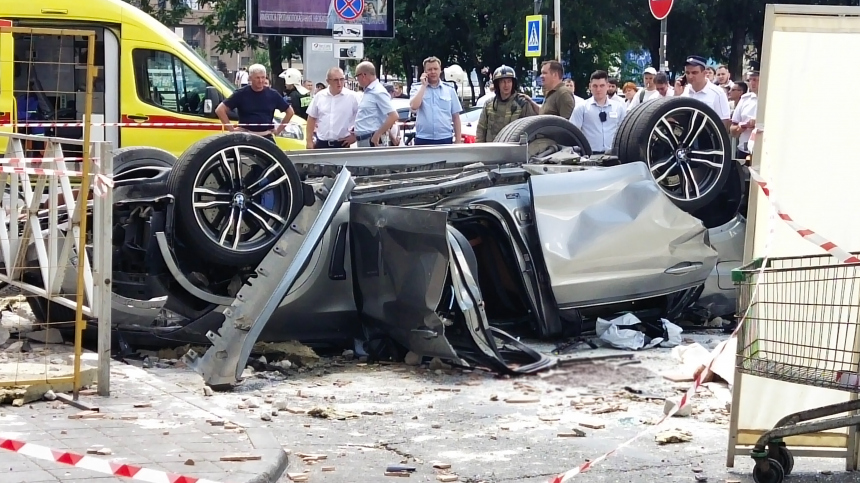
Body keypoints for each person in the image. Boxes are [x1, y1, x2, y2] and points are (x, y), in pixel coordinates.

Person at [216, 64, 294, 142]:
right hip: (245, 137)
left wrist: (278, 130)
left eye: (263, 77)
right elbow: (220, 110)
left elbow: (290, 112)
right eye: (257, 78)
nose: (260, 81)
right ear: (250, 78)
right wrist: (231, 130)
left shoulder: (273, 94)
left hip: (266, 137)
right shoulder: (241, 94)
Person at [476, 65, 539, 143]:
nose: (506, 85)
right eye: (503, 82)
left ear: (513, 83)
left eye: (509, 81)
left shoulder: (522, 103)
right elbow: (481, 130)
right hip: (492, 150)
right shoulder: (489, 104)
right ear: (497, 84)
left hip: (513, 151)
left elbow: (531, 130)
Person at [570, 70, 626, 154]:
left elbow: (624, 132)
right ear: (590, 86)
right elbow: (573, 132)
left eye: (602, 86)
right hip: (590, 154)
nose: (598, 89)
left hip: (613, 155)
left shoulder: (618, 107)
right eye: (595, 86)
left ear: (607, 86)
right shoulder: (581, 108)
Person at [409, 56, 463, 145]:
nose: (433, 72)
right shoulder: (417, 88)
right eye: (429, 69)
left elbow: (456, 117)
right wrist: (423, 86)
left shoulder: (449, 89)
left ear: (440, 70)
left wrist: (458, 140)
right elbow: (414, 106)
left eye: (435, 69)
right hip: (423, 138)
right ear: (425, 72)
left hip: (445, 138)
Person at [305, 67, 359, 149]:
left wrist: (355, 136)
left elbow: (362, 116)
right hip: (322, 143)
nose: (339, 83)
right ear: (328, 81)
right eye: (336, 80)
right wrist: (309, 140)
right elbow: (311, 118)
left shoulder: (352, 97)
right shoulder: (319, 96)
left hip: (342, 143)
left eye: (342, 79)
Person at [674, 55, 731, 128]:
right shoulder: (683, 91)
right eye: (687, 73)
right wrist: (676, 96)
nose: (690, 76)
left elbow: (724, 122)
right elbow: (673, 117)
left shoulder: (717, 93)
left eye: (694, 73)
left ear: (704, 73)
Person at [354, 61, 398, 147]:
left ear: (363, 75)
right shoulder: (369, 91)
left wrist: (378, 134)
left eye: (357, 77)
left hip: (371, 140)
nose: (357, 80)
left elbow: (393, 116)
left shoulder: (378, 92)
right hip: (366, 139)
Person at [731, 71, 758, 159]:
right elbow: (732, 129)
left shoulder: (772, 99)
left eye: (755, 79)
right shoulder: (745, 100)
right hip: (745, 149)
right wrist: (741, 127)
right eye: (749, 80)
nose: (752, 83)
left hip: (763, 150)